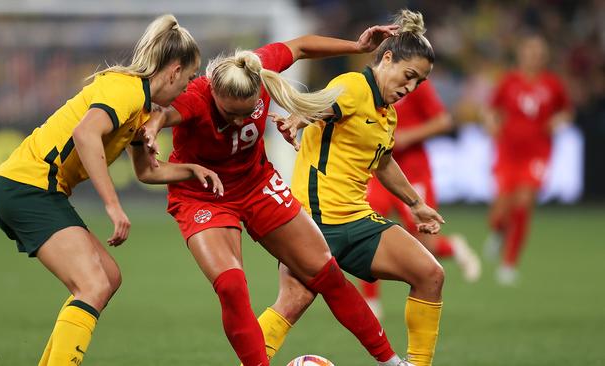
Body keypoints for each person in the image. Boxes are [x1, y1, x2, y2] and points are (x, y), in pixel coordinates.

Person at [143, 25, 417, 366]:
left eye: (249, 111)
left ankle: (391, 362)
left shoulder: (255, 67)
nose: (242, 119)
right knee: (231, 286)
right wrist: (153, 130)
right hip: (202, 194)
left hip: (256, 184)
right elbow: (162, 114)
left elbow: (300, 46)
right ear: (214, 94)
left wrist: (356, 45)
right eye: (232, 113)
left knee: (327, 273)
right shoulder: (197, 96)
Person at [0, 15, 223, 366]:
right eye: (189, 78)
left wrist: (191, 170)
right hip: (25, 187)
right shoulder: (125, 89)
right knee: (93, 284)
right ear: (174, 71)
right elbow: (86, 134)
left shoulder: (142, 108)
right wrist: (113, 206)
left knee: (108, 278)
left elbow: (145, 171)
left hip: (38, 190)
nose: (189, 88)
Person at [254, 10, 445, 366]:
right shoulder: (355, 87)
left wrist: (415, 204)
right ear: (387, 58)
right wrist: (298, 117)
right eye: (408, 75)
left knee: (430, 274)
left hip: (356, 223)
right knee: (292, 304)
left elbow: (384, 162)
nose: (410, 87)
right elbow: (323, 104)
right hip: (311, 225)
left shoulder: (387, 113)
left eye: (418, 82)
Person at [360, 79, 481, 319]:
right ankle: (371, 301)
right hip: (378, 169)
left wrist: (407, 136)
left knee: (425, 243)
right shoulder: (368, 85)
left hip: (413, 172)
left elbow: (443, 121)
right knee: (367, 229)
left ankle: (452, 247)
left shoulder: (414, 84)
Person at [483, 34, 572, 285]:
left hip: (537, 153)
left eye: (538, 52)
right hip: (507, 151)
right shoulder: (509, 81)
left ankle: (509, 264)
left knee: (523, 203)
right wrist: (490, 122)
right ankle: (498, 230)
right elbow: (491, 108)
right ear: (521, 54)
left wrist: (559, 120)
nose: (534, 56)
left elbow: (566, 111)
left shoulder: (552, 84)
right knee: (500, 209)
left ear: (544, 56)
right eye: (530, 51)